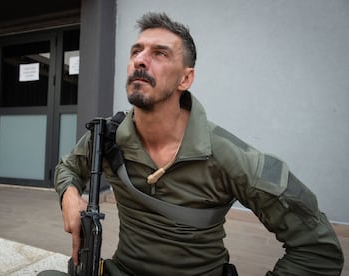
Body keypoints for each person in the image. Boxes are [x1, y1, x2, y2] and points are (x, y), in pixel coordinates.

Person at [54, 12, 344, 276]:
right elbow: (69, 165)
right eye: (136, 51)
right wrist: (69, 193)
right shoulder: (107, 136)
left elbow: (318, 249)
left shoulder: (229, 156)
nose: (140, 60)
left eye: (160, 54)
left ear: (186, 78)